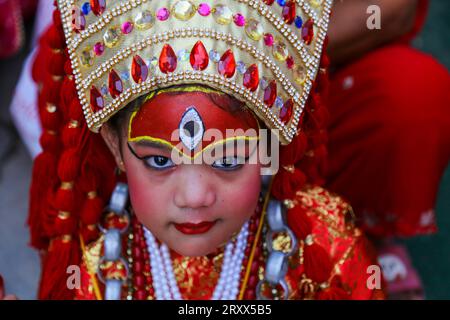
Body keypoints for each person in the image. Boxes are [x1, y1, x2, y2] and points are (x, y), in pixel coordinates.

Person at [4, 0, 384, 300]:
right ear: (115, 146)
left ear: (271, 145)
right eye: (159, 160)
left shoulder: (326, 247)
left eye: (229, 160)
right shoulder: (98, 272)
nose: (195, 196)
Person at [326, 0, 450, 298]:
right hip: (206, 63)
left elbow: (390, 10)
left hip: (327, 73)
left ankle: (361, 235)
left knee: (412, 93)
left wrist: (272, 46)